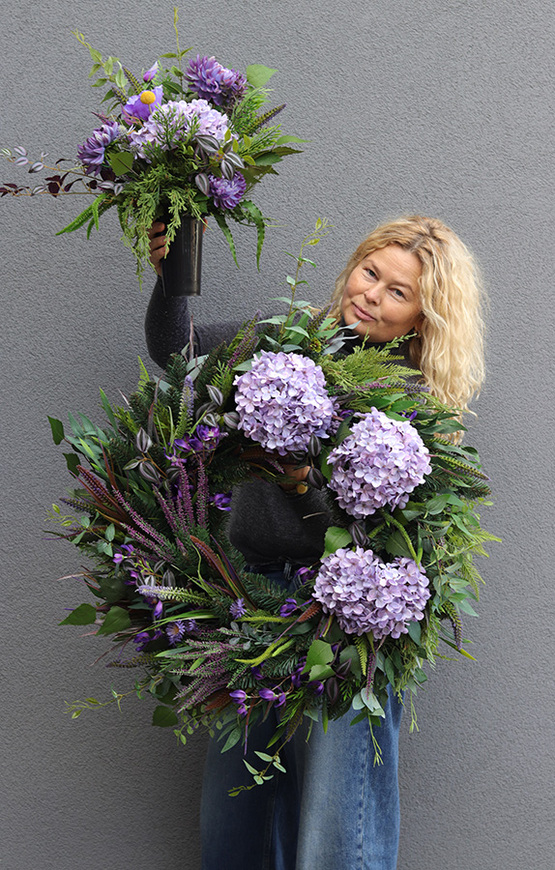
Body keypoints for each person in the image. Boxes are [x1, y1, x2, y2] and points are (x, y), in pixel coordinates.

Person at [145, 215, 485, 870]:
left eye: (397, 293)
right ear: (352, 266)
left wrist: (301, 484)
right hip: (249, 609)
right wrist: (169, 279)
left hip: (344, 630)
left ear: (420, 320)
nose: (371, 294)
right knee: (232, 828)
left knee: (335, 835)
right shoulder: (280, 341)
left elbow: (359, 547)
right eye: (370, 273)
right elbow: (177, 352)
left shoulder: (407, 409)